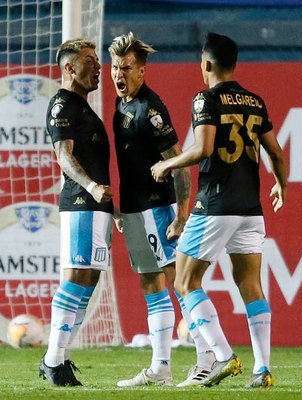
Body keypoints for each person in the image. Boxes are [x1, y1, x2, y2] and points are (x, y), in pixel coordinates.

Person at [151, 32, 288, 388]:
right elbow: (276, 152)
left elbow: (204, 148)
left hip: (215, 204)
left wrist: (168, 165)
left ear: (207, 64)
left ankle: (223, 357)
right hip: (250, 208)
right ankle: (262, 369)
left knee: (184, 280)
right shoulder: (255, 102)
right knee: (250, 284)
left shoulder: (205, 99)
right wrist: (281, 185)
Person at [108, 32, 216, 388]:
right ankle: (160, 367)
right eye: (114, 67)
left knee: (179, 280)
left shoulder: (150, 110)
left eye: (125, 68)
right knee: (150, 282)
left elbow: (179, 164)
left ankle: (206, 357)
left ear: (142, 71)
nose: (117, 74)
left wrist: (182, 216)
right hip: (135, 209)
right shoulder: (121, 104)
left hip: (159, 206)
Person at [39, 38, 114, 387]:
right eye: (89, 60)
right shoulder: (62, 104)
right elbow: (64, 156)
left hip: (98, 205)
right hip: (81, 202)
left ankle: (62, 356)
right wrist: (91, 187)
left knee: (90, 279)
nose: (98, 66)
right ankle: (52, 360)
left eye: (98, 60)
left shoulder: (83, 107)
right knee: (76, 276)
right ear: (69, 68)